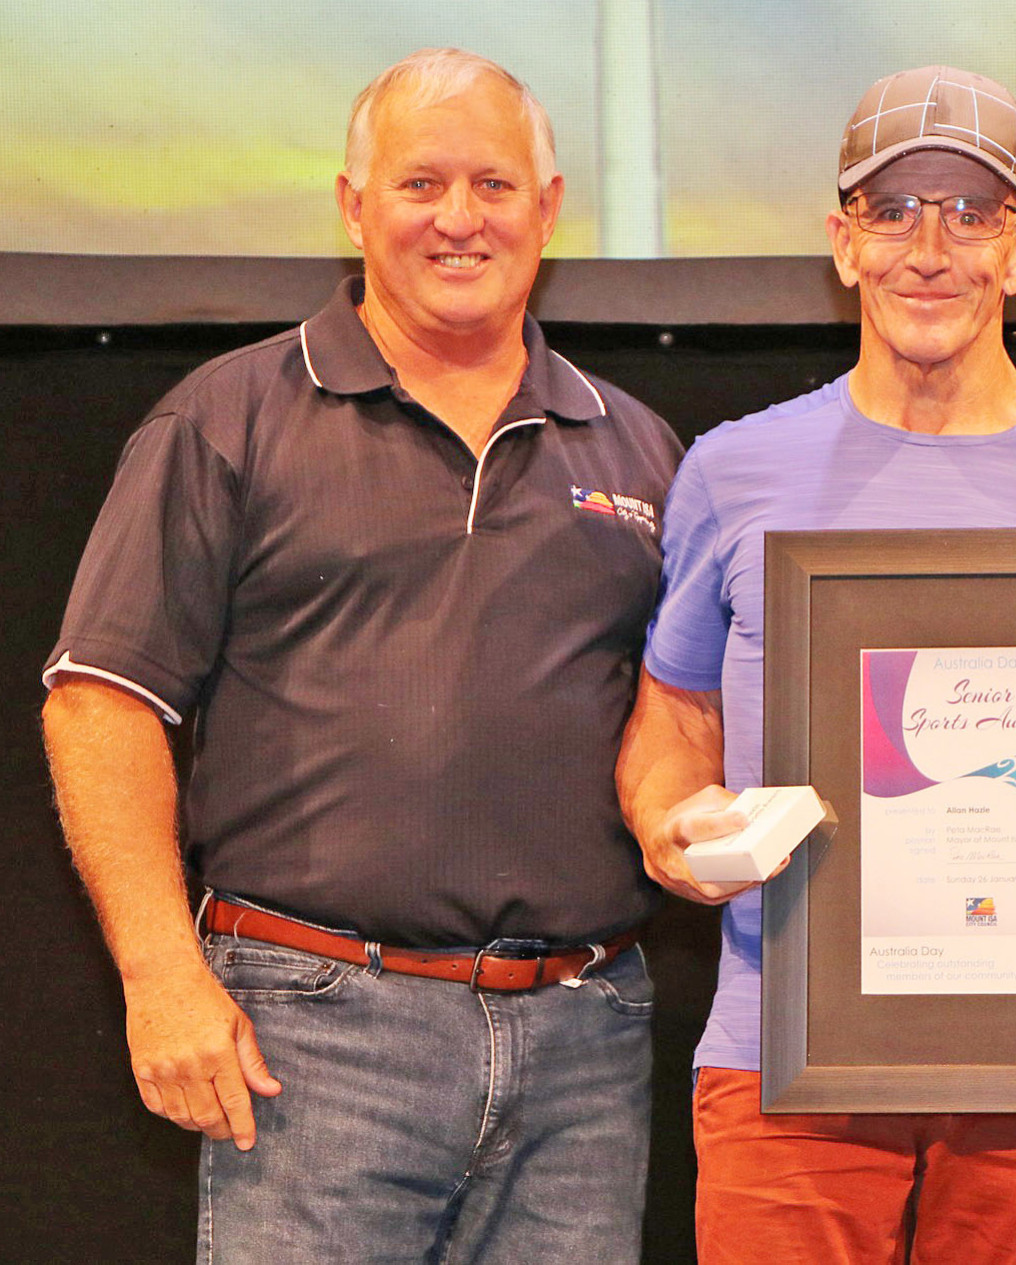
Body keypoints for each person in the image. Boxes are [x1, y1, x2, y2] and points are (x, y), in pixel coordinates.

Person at [40, 49, 680, 1262]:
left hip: (585, 1049)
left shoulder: (641, 448)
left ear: (548, 211)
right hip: (314, 1038)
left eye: (494, 185)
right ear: (352, 204)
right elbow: (100, 705)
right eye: (418, 183)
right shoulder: (226, 418)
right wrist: (161, 974)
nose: (457, 219)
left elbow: (680, 721)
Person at [620, 65, 1016, 1264]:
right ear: (842, 243)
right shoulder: (735, 472)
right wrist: (667, 829)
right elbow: (675, 704)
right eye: (892, 211)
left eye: (971, 211)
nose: (929, 247)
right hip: (780, 1057)